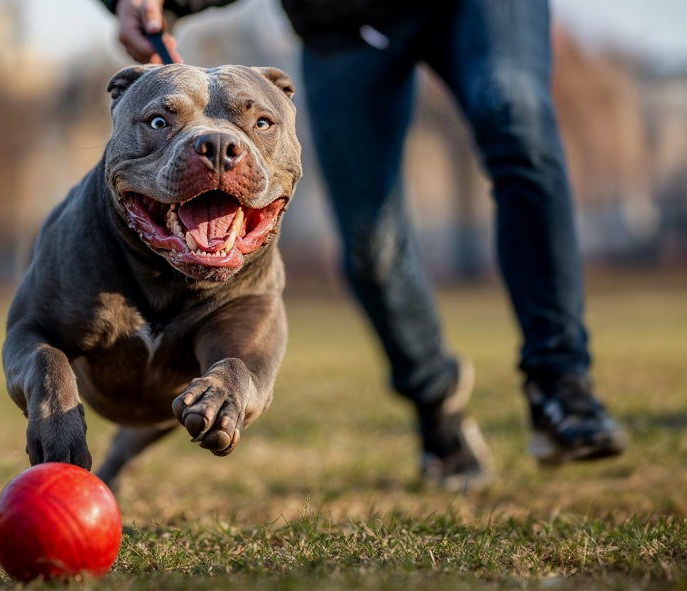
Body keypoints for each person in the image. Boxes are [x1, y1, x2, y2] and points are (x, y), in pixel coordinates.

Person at [99, 0, 628, 490]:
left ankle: (561, 386)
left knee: (514, 114)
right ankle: (436, 400)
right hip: (345, 16)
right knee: (371, 241)